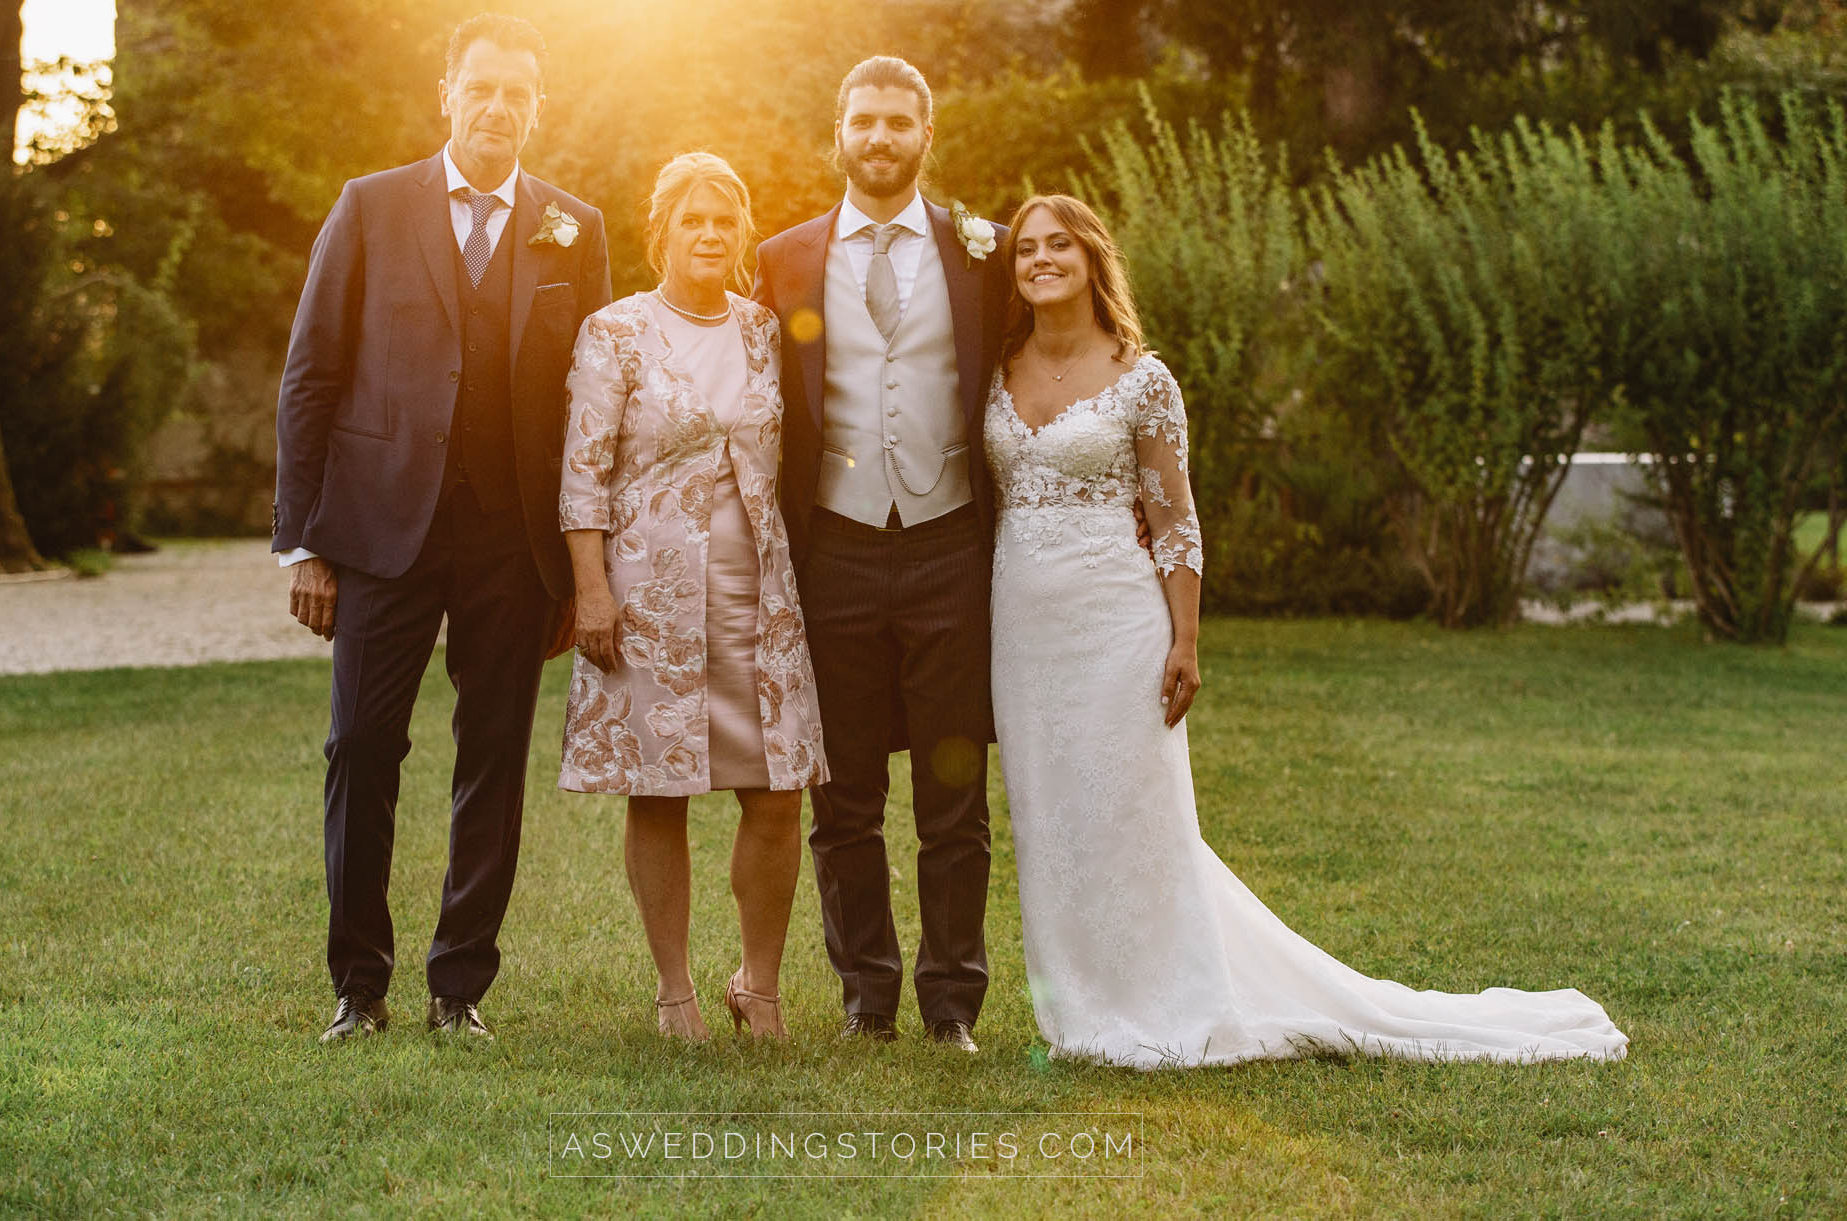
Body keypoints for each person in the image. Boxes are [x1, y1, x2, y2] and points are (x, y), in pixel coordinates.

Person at [985, 194, 1629, 1067]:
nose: (1041, 259)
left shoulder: (1143, 376)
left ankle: (1166, 1000)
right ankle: (1080, 1007)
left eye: (1061, 244)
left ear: (1094, 258)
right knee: (1049, 817)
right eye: (1027, 248)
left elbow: (1175, 520)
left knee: (1134, 814)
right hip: (1022, 626)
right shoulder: (997, 366)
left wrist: (1185, 639)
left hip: (1114, 622)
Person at [273, 14, 611, 1044]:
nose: (499, 107)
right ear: (447, 94)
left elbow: (588, 400)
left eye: (518, 92)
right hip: (379, 531)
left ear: (534, 108)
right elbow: (313, 374)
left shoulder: (572, 225)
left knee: (493, 755)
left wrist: (575, 563)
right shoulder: (371, 208)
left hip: (512, 541)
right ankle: (357, 985)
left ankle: (458, 985)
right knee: (361, 746)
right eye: (482, 88)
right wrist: (304, 539)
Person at [753, 57, 1012, 1052]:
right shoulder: (781, 259)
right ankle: (867, 993)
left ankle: (951, 1003)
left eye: (897, 122)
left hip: (950, 542)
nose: (878, 138)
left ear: (925, 135)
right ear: (837, 129)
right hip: (835, 550)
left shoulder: (978, 251)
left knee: (954, 793)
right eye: (862, 120)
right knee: (844, 792)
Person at [558, 152, 827, 1040]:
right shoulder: (615, 332)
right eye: (692, 221)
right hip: (648, 593)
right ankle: (675, 990)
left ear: (740, 235)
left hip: (756, 589)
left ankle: (761, 982)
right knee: (658, 787)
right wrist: (590, 590)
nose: (709, 235)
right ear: (660, 233)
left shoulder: (761, 331)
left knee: (777, 790)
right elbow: (583, 473)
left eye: (724, 222)